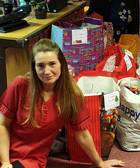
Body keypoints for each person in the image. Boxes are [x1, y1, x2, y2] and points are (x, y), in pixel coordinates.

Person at [0, 39, 125, 168]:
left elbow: (81, 134)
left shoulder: (71, 95)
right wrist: (5, 162)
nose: (46, 71)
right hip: (3, 147)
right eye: (40, 65)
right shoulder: (20, 85)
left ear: (61, 64)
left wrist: (99, 162)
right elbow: (2, 124)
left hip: (29, 157)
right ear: (34, 67)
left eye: (52, 64)